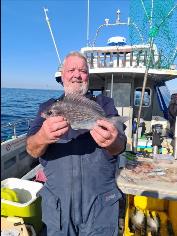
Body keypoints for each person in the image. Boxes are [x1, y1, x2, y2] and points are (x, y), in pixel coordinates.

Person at [26, 51, 127, 236]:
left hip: (100, 205)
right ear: (62, 75)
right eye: (71, 69)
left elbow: (120, 145)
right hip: (58, 207)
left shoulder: (105, 104)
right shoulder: (48, 108)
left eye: (82, 70)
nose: (77, 75)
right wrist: (43, 136)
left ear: (88, 75)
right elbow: (32, 149)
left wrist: (113, 140)